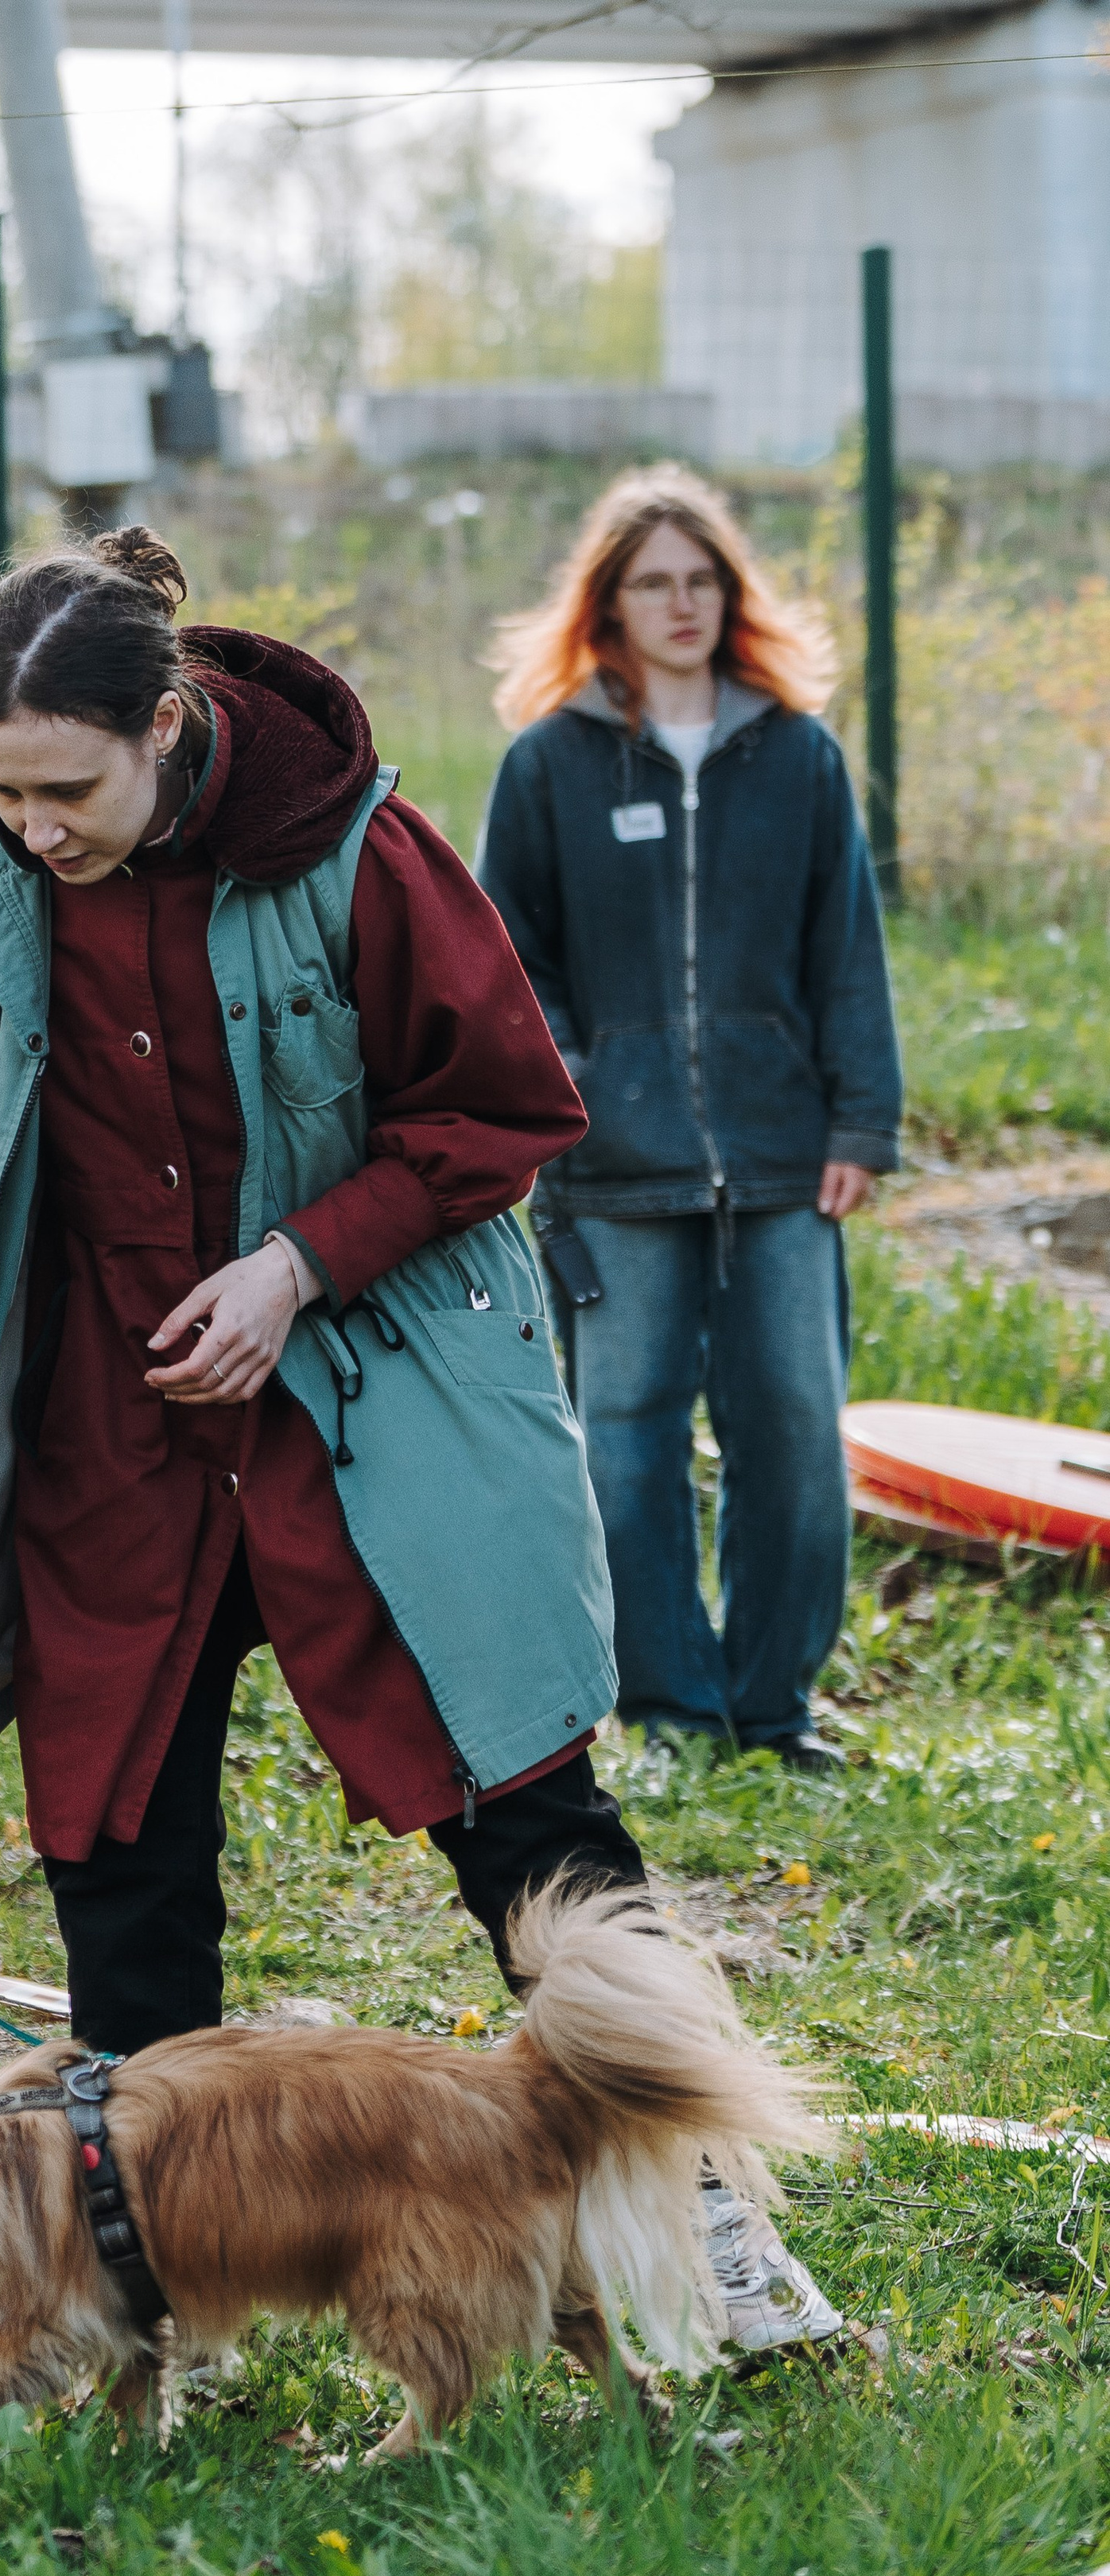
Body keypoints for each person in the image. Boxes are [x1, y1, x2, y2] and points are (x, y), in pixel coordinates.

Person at [0, 523, 840, 2356]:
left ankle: (712, 2223)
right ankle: (149, 2286)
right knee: (116, 1849)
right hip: (105, 1428)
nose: (29, 830)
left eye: (65, 790)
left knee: (523, 1807)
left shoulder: (360, 851)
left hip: (374, 1392)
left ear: (163, 725)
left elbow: (502, 1108)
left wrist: (293, 1266)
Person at [477, 465, 902, 1778]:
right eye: (654, 581)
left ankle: (775, 1708)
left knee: (797, 1436)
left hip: (783, 1160)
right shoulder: (550, 762)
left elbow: (848, 950)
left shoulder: (800, 756)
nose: (682, 603)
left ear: (731, 593)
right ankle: (668, 1709)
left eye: (702, 579)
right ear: (607, 603)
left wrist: (862, 1120)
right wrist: (573, 1089)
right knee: (624, 1443)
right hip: (612, 1172)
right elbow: (509, 958)